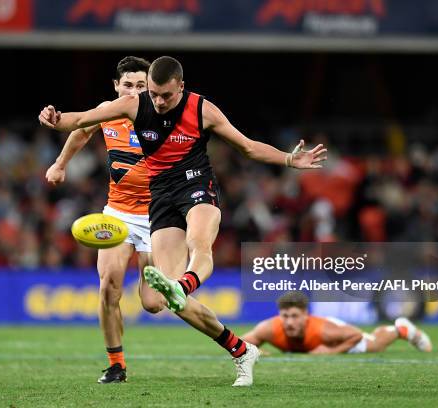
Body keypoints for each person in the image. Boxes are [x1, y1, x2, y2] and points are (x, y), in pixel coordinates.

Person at [38, 56, 327, 386]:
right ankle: (240, 349)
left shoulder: (202, 110)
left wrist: (289, 158)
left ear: (181, 87)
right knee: (164, 303)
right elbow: (81, 121)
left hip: (195, 186)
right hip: (156, 200)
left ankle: (184, 284)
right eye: (154, 95)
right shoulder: (133, 106)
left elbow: (247, 147)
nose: (158, 102)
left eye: (164, 95)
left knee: (198, 246)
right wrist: (55, 119)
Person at [45, 56, 165, 384]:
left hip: (158, 216)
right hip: (119, 213)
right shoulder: (109, 111)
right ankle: (116, 364)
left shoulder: (166, 117)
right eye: (128, 85)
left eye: (141, 86)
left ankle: (155, 277)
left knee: (153, 304)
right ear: (116, 86)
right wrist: (60, 164)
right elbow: (82, 130)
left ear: (151, 87)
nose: (134, 91)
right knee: (108, 287)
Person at [242, 291, 432, 354]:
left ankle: (401, 329)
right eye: (285, 316)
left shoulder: (323, 331)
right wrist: (255, 352)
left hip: (333, 340)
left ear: (305, 315)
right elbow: (240, 342)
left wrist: (331, 352)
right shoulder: (269, 329)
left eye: (294, 316)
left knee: (373, 344)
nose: (289, 322)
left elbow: (355, 335)